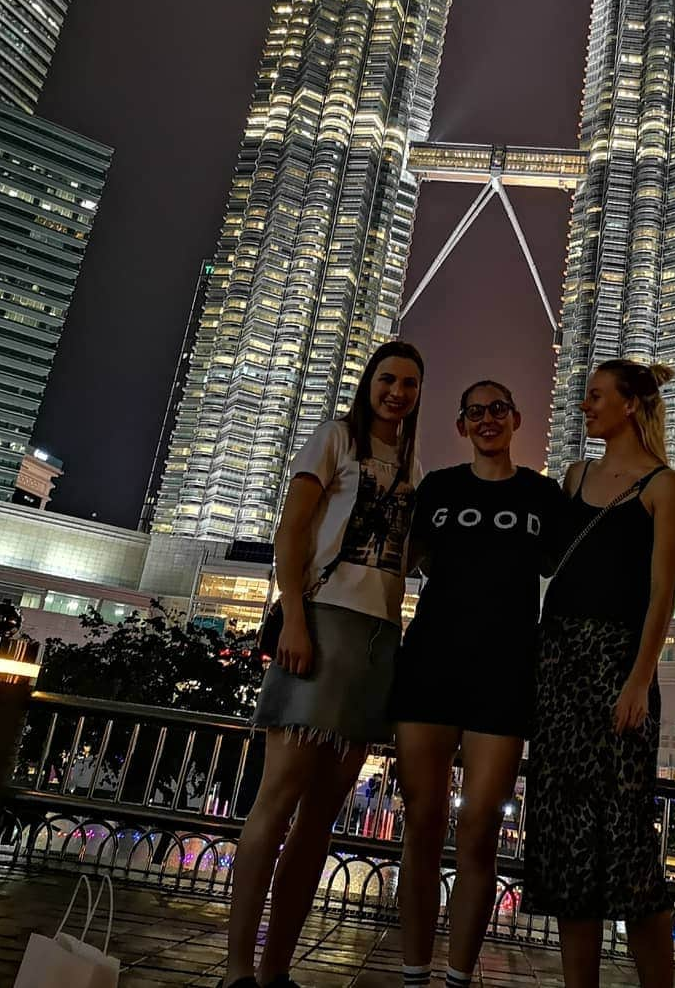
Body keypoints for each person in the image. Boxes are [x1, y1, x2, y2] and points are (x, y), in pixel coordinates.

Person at [222, 341, 424, 988]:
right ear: (369, 383)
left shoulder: (414, 462)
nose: (397, 392)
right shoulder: (334, 438)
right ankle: (236, 968)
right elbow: (292, 529)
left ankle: (277, 970)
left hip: (378, 640)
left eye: (410, 384)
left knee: (320, 818)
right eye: (388, 379)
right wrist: (297, 619)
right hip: (322, 625)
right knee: (275, 803)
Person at [523, 359, 675, 988]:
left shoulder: (663, 486)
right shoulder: (573, 476)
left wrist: (639, 678)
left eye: (596, 396)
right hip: (559, 662)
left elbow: (661, 593)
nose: (585, 406)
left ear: (629, 405)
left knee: (627, 844)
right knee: (567, 842)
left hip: (618, 665)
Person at [393, 380, 565, 988]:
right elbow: (396, 562)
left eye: (498, 409)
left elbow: (575, 571)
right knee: (422, 824)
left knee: (481, 829)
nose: (488, 419)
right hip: (429, 667)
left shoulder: (544, 496)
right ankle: (414, 971)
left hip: (505, 674)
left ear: (516, 419)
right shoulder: (437, 488)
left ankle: (459, 976)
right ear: (462, 425)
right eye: (475, 412)